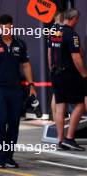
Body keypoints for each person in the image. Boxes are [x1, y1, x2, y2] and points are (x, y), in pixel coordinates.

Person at [0, 14, 36, 168]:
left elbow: (26, 65)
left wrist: (31, 85)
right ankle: (0, 156)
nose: (6, 30)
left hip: (16, 90)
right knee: (0, 122)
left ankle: (9, 156)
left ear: (12, 27)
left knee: (14, 124)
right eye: (3, 27)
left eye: (9, 27)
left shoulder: (20, 44)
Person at [48, 8, 87, 151]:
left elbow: (50, 54)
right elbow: (77, 57)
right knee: (80, 105)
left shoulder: (54, 32)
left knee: (60, 107)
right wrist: (84, 74)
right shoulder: (72, 34)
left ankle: (60, 140)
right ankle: (70, 138)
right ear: (75, 19)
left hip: (56, 74)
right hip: (70, 75)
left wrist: (51, 70)